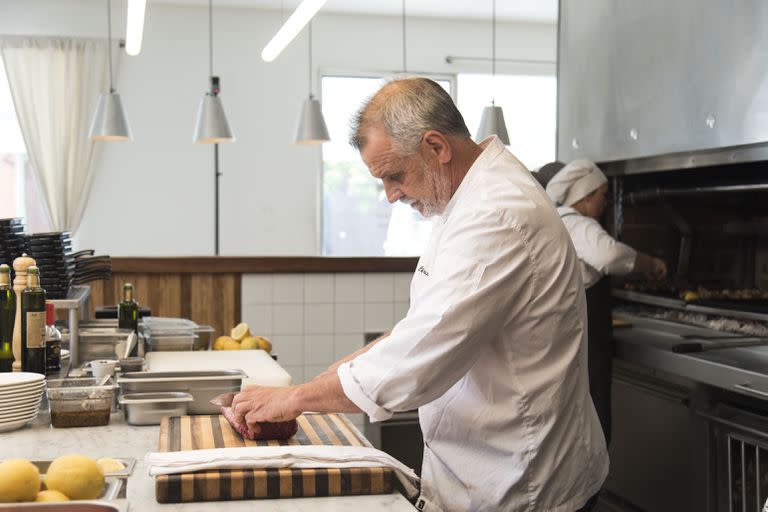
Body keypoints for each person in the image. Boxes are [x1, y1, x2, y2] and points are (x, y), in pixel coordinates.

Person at [231, 78, 608, 511]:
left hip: (523, 481)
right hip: (482, 467)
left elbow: (415, 361)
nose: (391, 196)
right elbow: (419, 329)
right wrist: (310, 387)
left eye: (394, 175)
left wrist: (295, 399)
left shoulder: (499, 214)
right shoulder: (465, 202)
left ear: (436, 147)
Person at [546, 159, 668, 446]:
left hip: (568, 335)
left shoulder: (554, 220)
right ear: (586, 196)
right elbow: (610, 257)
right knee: (593, 419)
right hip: (585, 340)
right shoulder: (577, 223)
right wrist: (651, 263)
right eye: (602, 195)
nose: (605, 203)